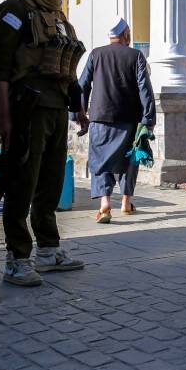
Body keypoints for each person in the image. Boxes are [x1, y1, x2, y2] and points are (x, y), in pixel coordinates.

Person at [0, 0, 88, 287]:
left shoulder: (59, 16)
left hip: (56, 106)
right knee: (22, 182)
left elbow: (68, 65)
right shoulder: (14, 10)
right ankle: (17, 259)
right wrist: (4, 117)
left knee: (49, 183)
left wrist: (79, 107)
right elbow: (1, 69)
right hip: (27, 108)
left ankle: (48, 251)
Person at [78, 15, 156, 224]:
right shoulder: (136, 56)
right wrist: (148, 117)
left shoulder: (96, 54)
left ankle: (105, 204)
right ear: (125, 34)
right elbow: (144, 88)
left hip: (100, 118)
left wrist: (79, 113)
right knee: (129, 160)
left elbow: (82, 85)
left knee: (100, 161)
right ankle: (125, 201)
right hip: (129, 119)